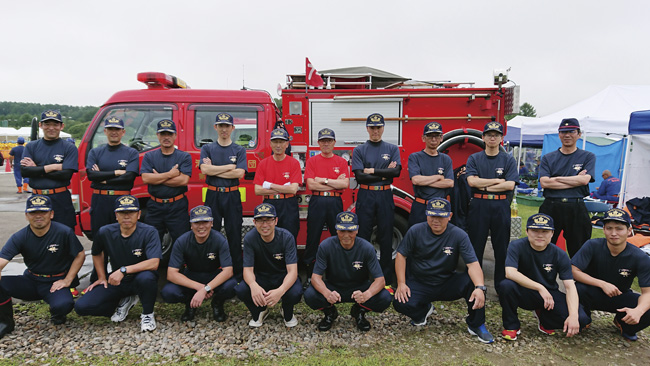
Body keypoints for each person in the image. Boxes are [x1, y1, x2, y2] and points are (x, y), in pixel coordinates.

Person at [393, 198, 495, 344]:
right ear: (426, 214)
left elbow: (473, 264)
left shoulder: (459, 235)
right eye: (432, 215)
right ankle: (422, 312)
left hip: (446, 282)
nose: (436, 220)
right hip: (420, 282)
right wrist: (402, 283)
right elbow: (401, 255)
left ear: (450, 216)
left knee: (474, 284)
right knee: (399, 301)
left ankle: (476, 324)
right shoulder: (415, 231)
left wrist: (480, 287)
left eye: (440, 216)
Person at [0, 195, 85, 337]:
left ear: (51, 214)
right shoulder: (20, 236)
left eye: (43, 212)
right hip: (31, 280)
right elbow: (2, 259)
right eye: (33, 213)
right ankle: (5, 322)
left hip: (55, 283)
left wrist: (68, 280)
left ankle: (56, 312)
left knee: (64, 305)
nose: (38, 216)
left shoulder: (64, 232)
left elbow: (80, 254)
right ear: (27, 215)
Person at [74, 195, 161, 332]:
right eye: (122, 213)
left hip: (140, 279)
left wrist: (123, 270)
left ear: (138, 214)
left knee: (147, 278)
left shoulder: (149, 232)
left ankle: (147, 314)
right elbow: (96, 253)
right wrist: (102, 277)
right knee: (82, 307)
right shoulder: (105, 232)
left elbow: (154, 263)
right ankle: (124, 301)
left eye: (131, 212)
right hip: (117, 281)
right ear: (116, 215)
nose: (127, 216)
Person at [499, 213, 590, 341]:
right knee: (506, 285)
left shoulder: (560, 254)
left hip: (549, 295)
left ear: (552, 233)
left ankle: (545, 319)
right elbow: (510, 272)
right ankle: (511, 325)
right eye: (535, 230)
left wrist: (574, 315)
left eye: (545, 231)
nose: (540, 235)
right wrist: (539, 287)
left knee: (582, 320)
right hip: (523, 291)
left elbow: (570, 286)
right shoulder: (516, 246)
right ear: (527, 231)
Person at [304, 211, 392, 332]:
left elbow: (380, 280)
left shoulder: (367, 248)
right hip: (334, 287)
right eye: (342, 231)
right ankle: (329, 312)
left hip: (359, 287)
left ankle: (359, 311)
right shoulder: (325, 246)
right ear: (336, 230)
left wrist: (366, 295)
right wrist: (327, 293)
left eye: (350, 231)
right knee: (310, 295)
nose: (346, 235)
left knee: (385, 297)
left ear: (357, 230)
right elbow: (315, 278)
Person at [571, 208, 650, 341]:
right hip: (589, 293)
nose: (614, 233)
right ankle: (584, 317)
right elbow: (573, 270)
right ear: (604, 230)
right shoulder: (592, 245)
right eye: (609, 228)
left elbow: (647, 293)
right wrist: (602, 284)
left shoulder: (640, 257)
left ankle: (624, 322)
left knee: (646, 308)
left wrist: (639, 311)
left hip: (619, 296)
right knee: (576, 290)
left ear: (629, 231)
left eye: (619, 229)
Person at [85, 117, 139, 285]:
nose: (114, 132)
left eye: (117, 129)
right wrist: (117, 173)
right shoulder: (96, 152)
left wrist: (104, 178)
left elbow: (130, 177)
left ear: (123, 132)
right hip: (100, 200)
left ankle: (124, 276)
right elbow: (91, 176)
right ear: (105, 131)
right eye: (110, 129)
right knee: (99, 237)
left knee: (122, 237)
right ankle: (98, 276)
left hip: (122, 200)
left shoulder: (131, 153)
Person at [161, 205, 237, 322]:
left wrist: (207, 287)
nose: (201, 226)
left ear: (211, 223)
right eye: (196, 223)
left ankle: (217, 303)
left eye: (205, 222)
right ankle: (190, 303)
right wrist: (200, 288)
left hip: (213, 276)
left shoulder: (219, 240)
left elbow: (228, 271)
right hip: (191, 276)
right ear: (191, 225)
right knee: (168, 292)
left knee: (232, 286)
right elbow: (171, 274)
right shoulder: (182, 241)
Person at [465, 121, 517, 291]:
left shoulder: (508, 159)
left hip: (500, 206)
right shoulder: (475, 158)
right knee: (475, 247)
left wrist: (483, 184)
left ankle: (501, 286)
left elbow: (510, 185)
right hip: (479, 205)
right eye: (489, 135)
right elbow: (472, 181)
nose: (492, 137)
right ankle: (474, 285)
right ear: (483, 138)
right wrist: (496, 181)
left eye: (496, 135)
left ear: (501, 138)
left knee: (501, 248)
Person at [351, 113, 401, 284]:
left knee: (385, 235)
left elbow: (396, 173)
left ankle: (385, 280)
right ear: (367, 128)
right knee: (363, 235)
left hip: (385, 195)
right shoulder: (359, 150)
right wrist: (384, 173)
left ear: (383, 128)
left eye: (378, 127)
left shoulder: (392, 149)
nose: (375, 131)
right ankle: (363, 278)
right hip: (366, 195)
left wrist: (371, 171)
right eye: (372, 127)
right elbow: (360, 177)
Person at [235, 203, 302, 328]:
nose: (264, 225)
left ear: (276, 221)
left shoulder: (286, 237)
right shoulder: (250, 238)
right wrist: (253, 285)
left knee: (296, 292)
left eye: (268, 220)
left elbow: (292, 271)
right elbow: (247, 270)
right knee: (242, 289)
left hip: (282, 277)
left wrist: (280, 291)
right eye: (260, 221)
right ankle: (261, 310)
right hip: (261, 278)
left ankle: (287, 311)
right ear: (254, 222)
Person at [539, 118, 596, 257]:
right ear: (559, 134)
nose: (567, 135)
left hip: (576, 208)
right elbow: (545, 183)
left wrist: (556, 178)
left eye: (571, 131)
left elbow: (584, 181)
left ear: (579, 134)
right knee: (543, 247)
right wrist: (575, 178)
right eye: (563, 132)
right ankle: (544, 278)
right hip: (551, 206)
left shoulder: (587, 156)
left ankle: (578, 278)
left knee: (579, 250)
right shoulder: (548, 158)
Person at [200, 113, 247, 280]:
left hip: (232, 195)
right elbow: (205, 170)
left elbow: (240, 173)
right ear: (216, 128)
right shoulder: (207, 148)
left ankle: (237, 274)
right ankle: (212, 271)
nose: (224, 129)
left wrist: (215, 169)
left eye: (227, 126)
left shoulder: (239, 150)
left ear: (232, 128)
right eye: (221, 126)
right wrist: (228, 167)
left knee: (234, 234)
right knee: (210, 233)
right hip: (213, 194)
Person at [303, 128, 350, 279]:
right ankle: (310, 275)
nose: (326, 143)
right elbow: (311, 185)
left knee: (339, 235)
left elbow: (344, 185)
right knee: (313, 237)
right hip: (317, 201)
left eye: (329, 141)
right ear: (318, 143)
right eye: (323, 141)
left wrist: (323, 180)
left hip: (335, 201)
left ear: (334, 143)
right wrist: (335, 183)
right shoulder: (312, 161)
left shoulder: (341, 161)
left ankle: (338, 272)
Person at [20, 110, 78, 229]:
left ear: (61, 126)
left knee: (65, 235)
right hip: (37, 198)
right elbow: (25, 172)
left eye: (55, 124)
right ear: (40, 125)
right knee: (40, 235)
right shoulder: (31, 146)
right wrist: (53, 167)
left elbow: (66, 175)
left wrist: (36, 169)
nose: (51, 128)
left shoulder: (69, 148)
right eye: (47, 124)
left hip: (60, 198)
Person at [141, 119, 192, 248]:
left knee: (182, 242)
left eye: (169, 134)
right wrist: (169, 175)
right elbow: (146, 178)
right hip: (155, 207)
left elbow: (183, 180)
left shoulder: (184, 157)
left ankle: (179, 268)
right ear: (157, 136)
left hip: (177, 207)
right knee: (152, 242)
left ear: (175, 135)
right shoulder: (149, 156)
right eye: (163, 134)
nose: (166, 137)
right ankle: (152, 268)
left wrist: (157, 177)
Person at [253, 128, 301, 241]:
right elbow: (258, 190)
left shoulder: (294, 163)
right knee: (268, 238)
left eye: (281, 142)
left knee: (290, 236)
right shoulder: (263, 164)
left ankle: (291, 259)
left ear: (287, 144)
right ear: (270, 144)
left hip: (288, 205)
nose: (278, 145)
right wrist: (285, 188)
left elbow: (293, 190)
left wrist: (269, 185)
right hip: (269, 204)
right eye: (275, 142)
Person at [407, 121, 453, 226]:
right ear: (423, 138)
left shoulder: (446, 159)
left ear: (441, 138)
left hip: (440, 208)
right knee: (417, 239)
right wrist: (439, 177)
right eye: (430, 136)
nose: (433, 139)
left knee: (439, 239)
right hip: (420, 206)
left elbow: (450, 183)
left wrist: (425, 181)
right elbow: (416, 180)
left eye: (436, 136)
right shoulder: (415, 157)